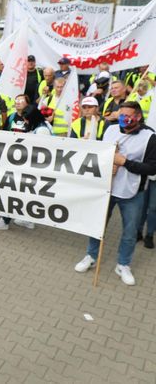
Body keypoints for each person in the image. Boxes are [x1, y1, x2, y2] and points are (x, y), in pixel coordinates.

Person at [75, 102, 156, 286]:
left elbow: (151, 168)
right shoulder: (111, 130)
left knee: (129, 231)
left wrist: (124, 162)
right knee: (98, 224)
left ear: (138, 117)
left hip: (133, 192)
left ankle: (123, 264)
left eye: (128, 117)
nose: (124, 121)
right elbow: (100, 155)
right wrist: (107, 164)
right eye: (121, 116)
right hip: (107, 188)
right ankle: (91, 256)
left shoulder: (150, 137)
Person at [0, 105, 52, 231]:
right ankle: (27, 220)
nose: (26, 122)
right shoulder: (41, 126)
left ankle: (5, 221)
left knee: (13, 193)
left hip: (30, 169)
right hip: (31, 169)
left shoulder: (41, 131)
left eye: (27, 119)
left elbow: (37, 152)